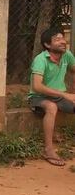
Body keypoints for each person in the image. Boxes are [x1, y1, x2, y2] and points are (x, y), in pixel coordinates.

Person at [28, 27, 75, 166]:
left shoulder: (67, 55)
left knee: (57, 104)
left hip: (60, 97)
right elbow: (37, 86)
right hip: (38, 97)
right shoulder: (40, 59)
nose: (63, 42)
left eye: (62, 38)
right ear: (48, 45)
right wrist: (65, 94)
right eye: (57, 39)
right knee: (51, 107)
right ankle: (48, 150)